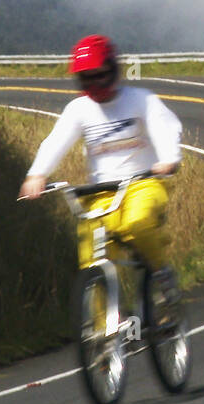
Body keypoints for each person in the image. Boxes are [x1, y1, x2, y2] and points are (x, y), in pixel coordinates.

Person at [18, 35, 184, 302]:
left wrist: (168, 159)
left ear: (113, 70)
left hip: (144, 184)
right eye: (86, 78)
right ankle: (103, 334)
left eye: (100, 75)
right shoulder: (78, 109)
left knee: (138, 223)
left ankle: (162, 272)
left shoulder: (141, 100)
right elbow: (55, 142)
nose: (94, 84)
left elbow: (165, 128)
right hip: (101, 192)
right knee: (91, 258)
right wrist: (37, 174)